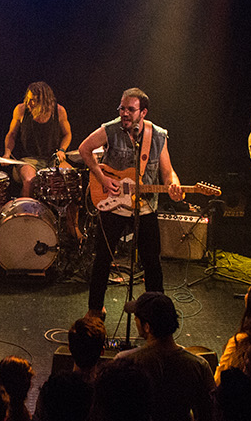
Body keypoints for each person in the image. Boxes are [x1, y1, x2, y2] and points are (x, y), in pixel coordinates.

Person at [78, 88, 184, 320]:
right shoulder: (111, 129)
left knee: (151, 262)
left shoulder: (157, 135)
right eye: (122, 108)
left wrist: (174, 185)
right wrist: (102, 178)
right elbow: (84, 149)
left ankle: (155, 313)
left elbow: (168, 172)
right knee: (103, 258)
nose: (124, 113)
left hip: (145, 207)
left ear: (143, 112)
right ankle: (95, 309)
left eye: (130, 109)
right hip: (113, 203)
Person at [115, 291, 217, 421]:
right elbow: (208, 418)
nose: (134, 320)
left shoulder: (125, 361)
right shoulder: (199, 365)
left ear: (147, 327)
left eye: (137, 317)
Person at [3, 81, 73, 198]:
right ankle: (26, 213)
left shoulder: (59, 111)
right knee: (30, 180)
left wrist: (62, 150)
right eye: (28, 98)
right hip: (27, 160)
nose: (28, 103)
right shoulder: (21, 110)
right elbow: (11, 134)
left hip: (52, 158)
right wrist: (7, 153)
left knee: (71, 178)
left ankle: (64, 215)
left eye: (33, 100)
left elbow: (67, 134)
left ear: (44, 101)